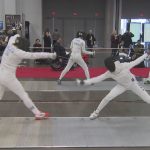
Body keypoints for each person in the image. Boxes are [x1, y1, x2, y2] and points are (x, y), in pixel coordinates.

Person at [77, 52, 150, 120]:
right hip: (121, 86)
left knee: (147, 99)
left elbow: (136, 61)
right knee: (107, 98)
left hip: (133, 84)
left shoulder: (123, 65)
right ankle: (96, 112)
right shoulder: (109, 73)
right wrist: (84, 82)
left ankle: (96, 113)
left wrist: (146, 54)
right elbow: (97, 79)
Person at [0, 34, 56, 120]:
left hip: (0, 74)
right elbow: (35, 55)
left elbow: (15, 36)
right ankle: (37, 113)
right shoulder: (19, 53)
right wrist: (51, 55)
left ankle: (37, 113)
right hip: (8, 77)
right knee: (23, 95)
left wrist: (19, 37)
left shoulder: (10, 43)